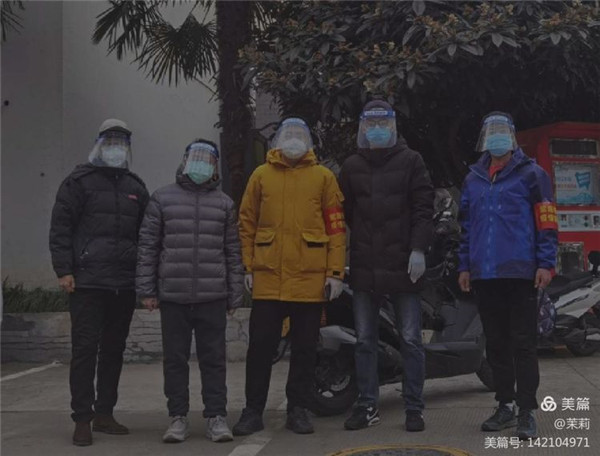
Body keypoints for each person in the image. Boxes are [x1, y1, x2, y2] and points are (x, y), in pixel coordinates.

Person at [232, 117, 346, 436]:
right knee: (260, 348)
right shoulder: (261, 176)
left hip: (310, 280)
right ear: (278, 140)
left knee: (305, 349)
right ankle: (252, 411)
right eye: (288, 134)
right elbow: (246, 223)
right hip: (268, 279)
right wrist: (248, 266)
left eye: (299, 134)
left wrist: (335, 273)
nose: (293, 139)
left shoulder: (324, 178)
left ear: (309, 141)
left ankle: (298, 409)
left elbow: (336, 229)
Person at [457, 111, 558, 440]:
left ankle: (526, 410)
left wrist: (545, 263)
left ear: (512, 137)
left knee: (523, 344)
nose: (497, 137)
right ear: (484, 138)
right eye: (492, 132)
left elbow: (546, 222)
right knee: (496, 344)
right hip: (485, 274)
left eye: (502, 131)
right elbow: (466, 228)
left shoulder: (532, 175)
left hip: (521, 273)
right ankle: (505, 405)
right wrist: (465, 266)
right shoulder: (473, 179)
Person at [136, 139, 243, 444]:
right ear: (184, 161)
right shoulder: (162, 199)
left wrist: (235, 293)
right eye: (195, 158)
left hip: (213, 296)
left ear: (215, 166)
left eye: (207, 159)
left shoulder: (224, 204)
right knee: (174, 360)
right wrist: (147, 290)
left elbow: (233, 252)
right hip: (174, 296)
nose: (200, 164)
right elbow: (148, 247)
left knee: (214, 360)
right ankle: (177, 417)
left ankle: (216, 416)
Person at [49, 119, 149, 446]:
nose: (116, 148)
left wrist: (144, 279)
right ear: (99, 144)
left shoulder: (136, 187)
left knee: (113, 350)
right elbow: (61, 228)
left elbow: (147, 237)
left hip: (123, 283)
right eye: (110, 141)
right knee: (85, 350)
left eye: (121, 142)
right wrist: (64, 270)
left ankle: (105, 413)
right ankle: (82, 418)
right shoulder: (78, 183)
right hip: (87, 283)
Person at [339, 100, 434, 432]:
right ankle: (367, 405)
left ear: (393, 126)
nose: (377, 129)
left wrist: (418, 249)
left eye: (383, 123)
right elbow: (346, 212)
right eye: (371, 124)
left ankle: (414, 407)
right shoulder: (351, 166)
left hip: (404, 265)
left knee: (410, 339)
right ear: (363, 128)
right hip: (365, 265)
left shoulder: (412, 161)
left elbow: (423, 208)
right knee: (365, 340)